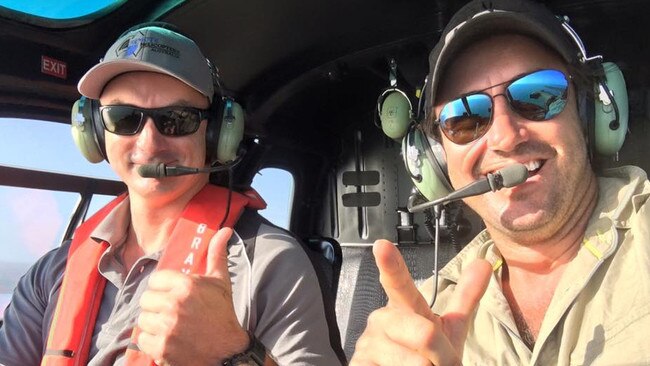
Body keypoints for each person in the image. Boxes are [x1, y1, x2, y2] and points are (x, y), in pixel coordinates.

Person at [0, 23, 346, 366]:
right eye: (123, 118)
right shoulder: (52, 271)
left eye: (177, 119)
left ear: (216, 134)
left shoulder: (270, 262)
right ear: (93, 130)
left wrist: (234, 353)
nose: (149, 143)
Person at [350, 0, 650, 364]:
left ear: (588, 114)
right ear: (436, 158)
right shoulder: (426, 318)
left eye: (538, 95)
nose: (506, 137)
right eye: (465, 117)